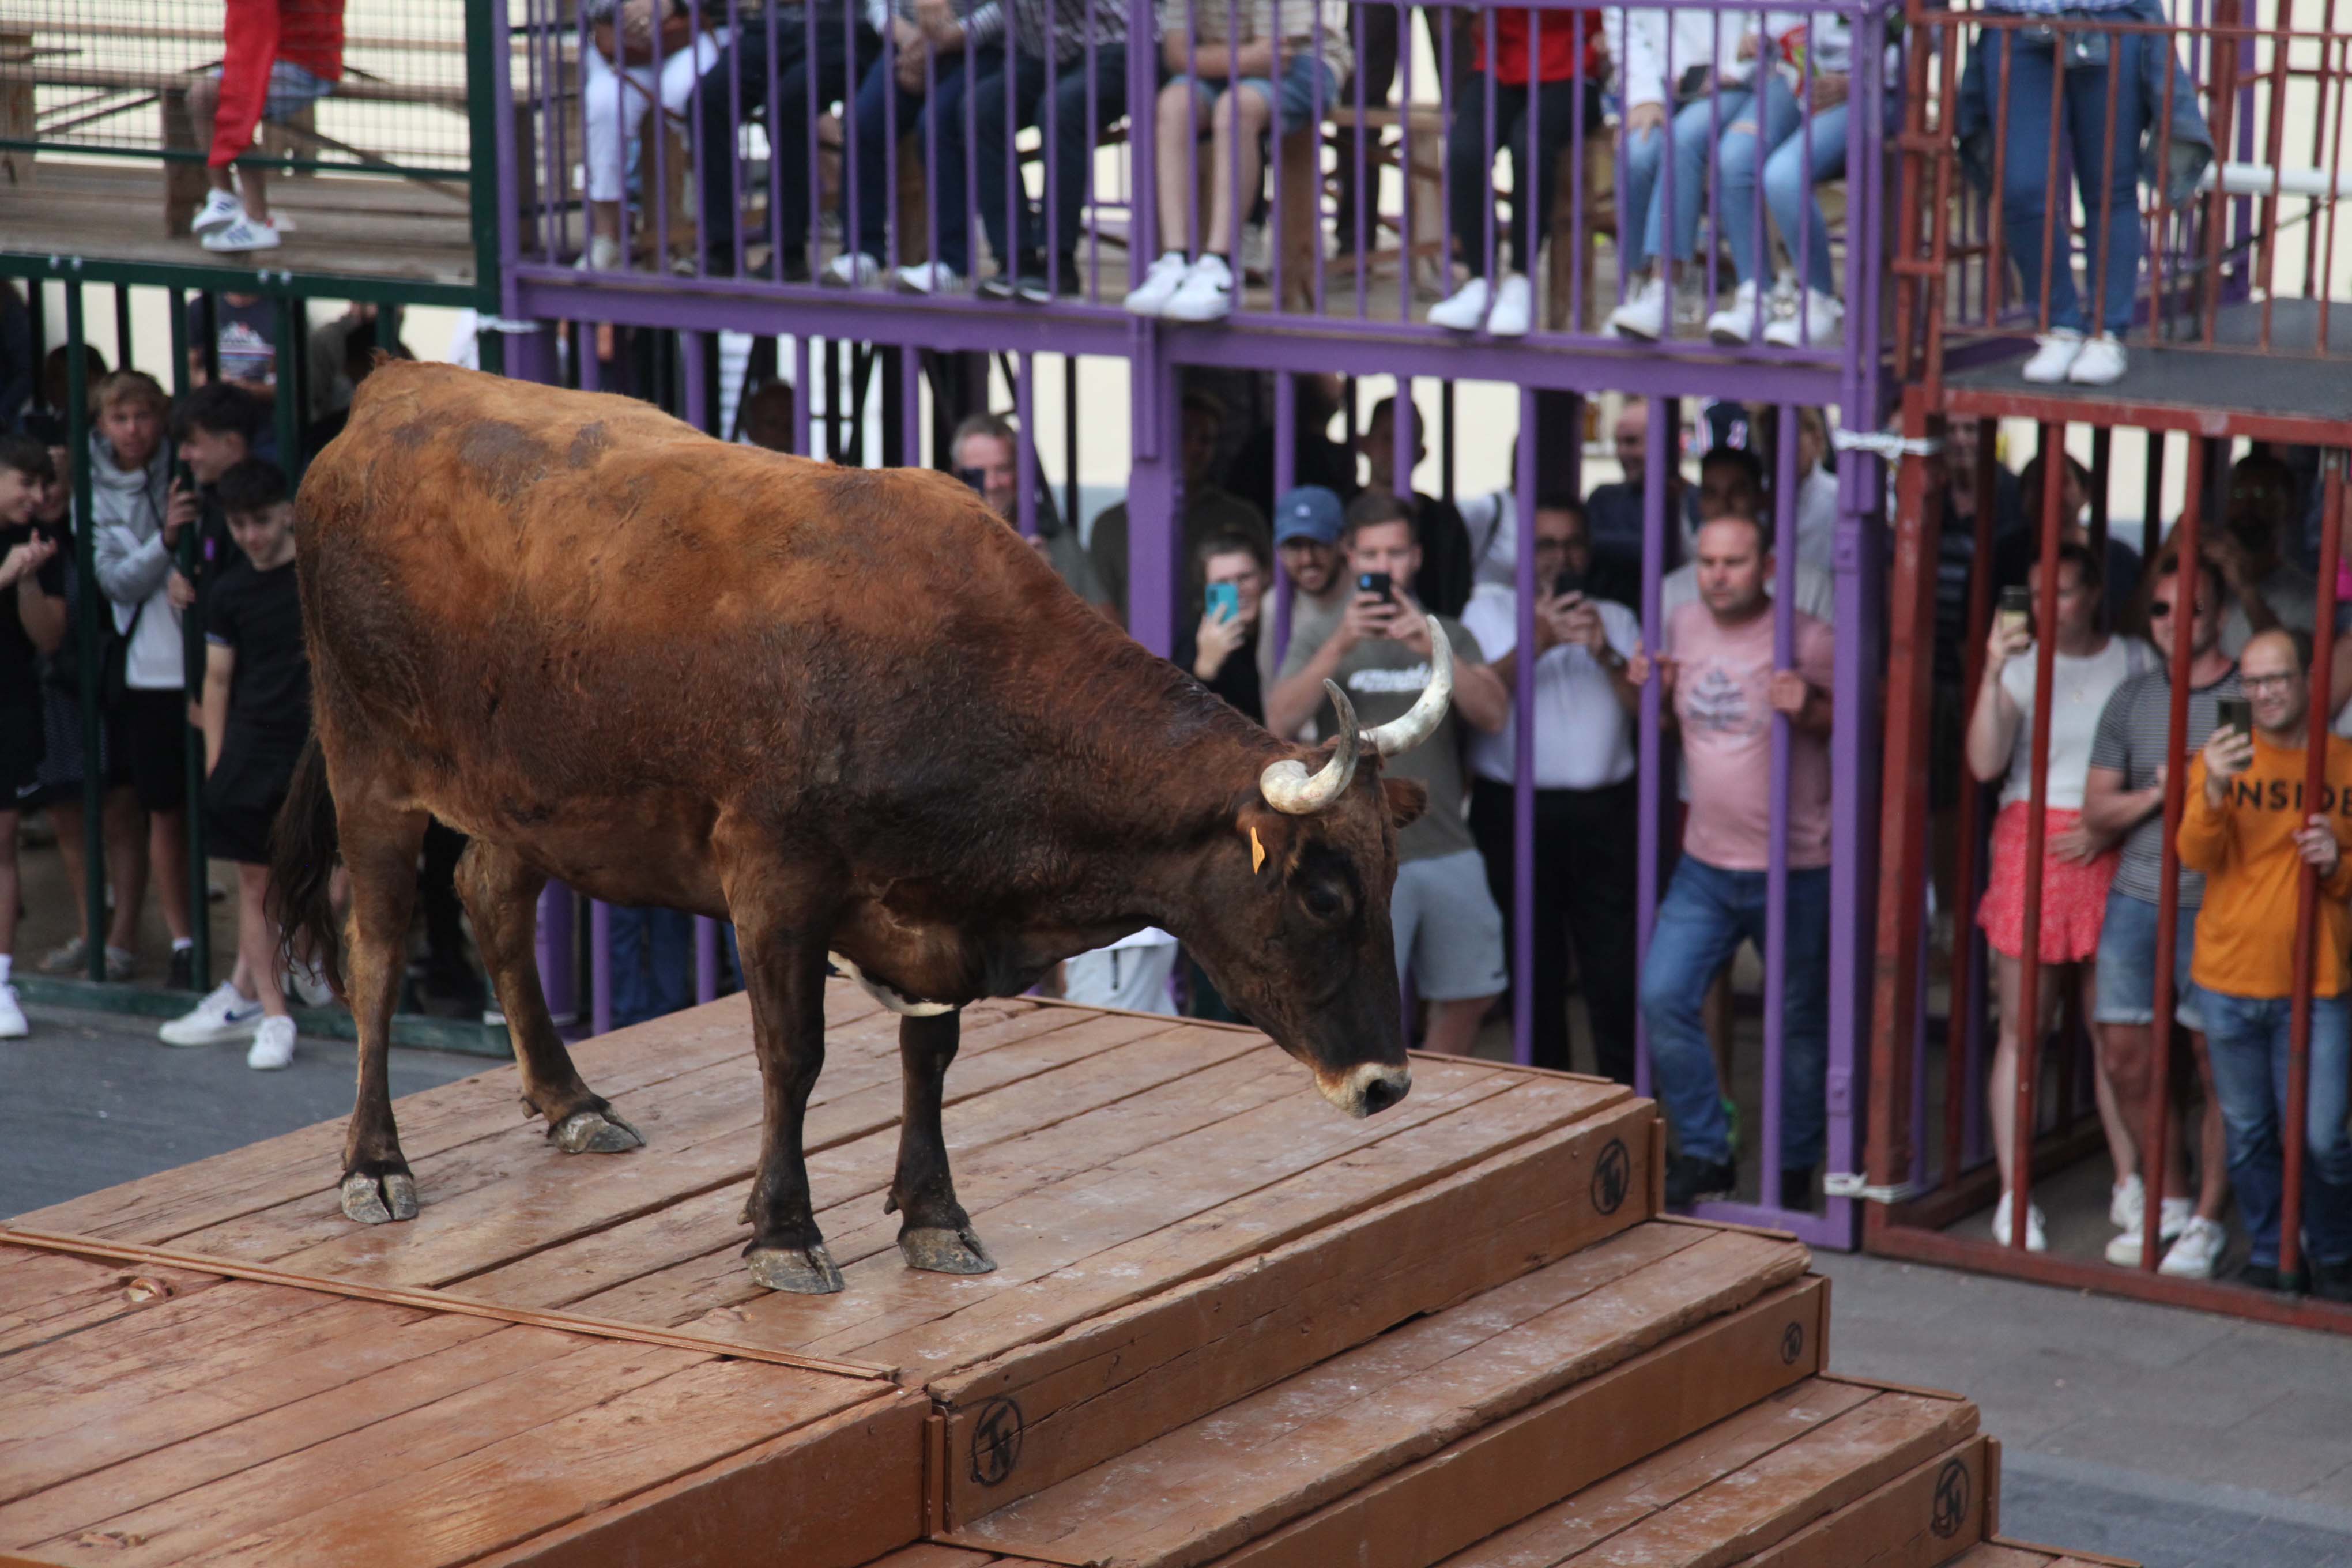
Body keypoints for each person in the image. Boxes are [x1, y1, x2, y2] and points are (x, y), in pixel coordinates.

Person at [1633, 511, 1834, 1209]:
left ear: (1769, 567)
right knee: (1663, 995)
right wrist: (1651, 692)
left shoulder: (1808, 636)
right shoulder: (1681, 624)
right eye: (1708, 561)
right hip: (1706, 863)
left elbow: (1866, 720)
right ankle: (1708, 1152)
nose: (1718, 575)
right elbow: (1670, 720)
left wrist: (1810, 706)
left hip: (1796, 866)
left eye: (1734, 561)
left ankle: (1793, 1173)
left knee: (1798, 1024)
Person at [1965, 540, 2158, 1249]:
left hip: (2112, 836)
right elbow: (1985, 762)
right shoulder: (2018, 665)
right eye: (2039, 593)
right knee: (2024, 1030)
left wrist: (2111, 822)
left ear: (2096, 593)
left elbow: (2160, 758)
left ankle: (2132, 1182)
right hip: (2033, 842)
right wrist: (1992, 667)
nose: (2050, 606)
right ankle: (2014, 1192)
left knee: (2115, 1030)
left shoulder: (2134, 659)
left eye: (2066, 591)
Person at [1268, 504, 1512, 1054]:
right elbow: (1279, 718)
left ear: (1416, 557)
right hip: (1356, 855)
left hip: (1446, 842)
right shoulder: (1321, 633)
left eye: (1396, 552)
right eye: (1372, 554)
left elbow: (1494, 714)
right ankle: (1383, 1094)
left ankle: (1428, 1091)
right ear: (1351, 558)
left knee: (1472, 993)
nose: (1384, 566)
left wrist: (1431, 648)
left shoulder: (1447, 632)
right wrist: (1340, 645)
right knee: (1361, 997)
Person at [2079, 542, 2239, 1276]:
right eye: (2162, 608)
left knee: (2219, 1062)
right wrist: (2163, 790)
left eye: (2193, 607)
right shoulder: (2133, 697)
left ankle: (2208, 1217)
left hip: (2222, 904)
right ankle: (2169, 1199)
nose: (2175, 620)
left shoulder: (2244, 699)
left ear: (2221, 615)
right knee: (2123, 1053)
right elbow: (2097, 809)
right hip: (2138, 895)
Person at [2178, 628, 2352, 1300]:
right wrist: (2215, 789)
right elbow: (2194, 855)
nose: (2265, 692)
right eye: (2252, 681)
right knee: (2249, 1130)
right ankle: (2273, 1250)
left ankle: (2333, 1252)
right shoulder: (2220, 758)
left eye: (2277, 677)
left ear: (2307, 679)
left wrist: (2336, 863)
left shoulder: (2342, 761)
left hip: (2319, 979)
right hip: (2229, 974)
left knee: (2322, 1135)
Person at [1461, 497, 1641, 1079]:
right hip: (1513, 812)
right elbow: (1472, 698)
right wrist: (1535, 640)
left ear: (1588, 551)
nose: (1560, 558)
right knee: (1530, 966)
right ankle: (1547, 1096)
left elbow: (1652, 714)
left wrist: (1605, 652)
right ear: (1521, 551)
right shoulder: (1488, 609)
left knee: (1614, 969)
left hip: (1604, 814)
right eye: (1546, 544)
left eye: (1572, 544)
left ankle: (1623, 1095)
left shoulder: (1617, 617)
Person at [1957, 0, 2207, 386]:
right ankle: (2059, 326)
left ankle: (2108, 334)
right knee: (2021, 189)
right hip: (2016, 20)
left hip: (2110, 17)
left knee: (2110, 186)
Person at [159, 460, 311, 1068]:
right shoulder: (228, 591)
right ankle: (273, 1013)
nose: (251, 535)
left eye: (261, 521)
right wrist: (217, 764)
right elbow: (217, 681)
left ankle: (262, 986)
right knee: (255, 885)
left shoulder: (317, 579)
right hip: (252, 749)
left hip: (315, 749)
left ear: (288, 513)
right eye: (240, 524)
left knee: (322, 876)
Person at [1122, 0, 1351, 323]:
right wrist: (1225, 58)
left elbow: (1274, 56)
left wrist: (1201, 58)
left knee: (1236, 108)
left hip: (1304, 62)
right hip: (1227, 59)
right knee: (1173, 105)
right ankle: (1175, 259)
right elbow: (1176, 56)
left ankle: (1222, 264)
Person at [90, 371, 205, 991]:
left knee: (229, 811)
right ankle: (186, 942)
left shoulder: (186, 467)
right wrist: (166, 542)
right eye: (120, 418)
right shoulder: (93, 488)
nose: (133, 430)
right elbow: (115, 581)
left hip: (210, 663)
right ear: (102, 425)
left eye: (143, 416)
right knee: (163, 811)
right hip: (148, 669)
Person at [914, 0, 1131, 301]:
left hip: (1117, 44)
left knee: (1060, 109)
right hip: (1047, 54)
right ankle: (1014, 260)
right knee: (982, 109)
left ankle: (1059, 265)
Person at [25, 445, 144, 983]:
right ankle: (92, 932)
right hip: (51, 694)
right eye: (34, 481)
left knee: (120, 812)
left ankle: (122, 940)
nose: (45, 492)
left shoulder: (92, 532)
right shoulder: (22, 539)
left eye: (54, 480)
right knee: (67, 814)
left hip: (104, 688)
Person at [1605, 9, 1796, 342]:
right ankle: (1639, 286)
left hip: (1739, 82)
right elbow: (1624, 26)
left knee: (1684, 140)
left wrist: (1731, 68)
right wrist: (1646, 96)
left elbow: (1767, 21)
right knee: (1637, 153)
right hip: (1660, 85)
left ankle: (1664, 289)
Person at [1418, 6, 1601, 337]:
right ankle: (1479, 280)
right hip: (1501, 63)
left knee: (1529, 143)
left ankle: (1520, 279)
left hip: (1574, 68)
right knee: (1465, 149)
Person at [695, 2, 881, 279]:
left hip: (844, 31)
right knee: (708, 99)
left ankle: (787, 251)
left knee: (787, 104)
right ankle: (721, 247)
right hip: (771, 27)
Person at [826, 0, 994, 287]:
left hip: (981, 47)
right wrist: (909, 41)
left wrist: (941, 42)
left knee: (938, 123)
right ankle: (862, 251)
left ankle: (951, 261)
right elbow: (879, 6)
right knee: (861, 122)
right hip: (908, 45)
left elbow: (1006, 12)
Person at [573, 0, 732, 273]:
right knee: (603, 105)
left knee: (689, 96)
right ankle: (607, 236)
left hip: (690, 33)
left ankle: (698, 232)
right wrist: (626, 9)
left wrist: (671, 4)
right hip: (623, 45)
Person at [1089, 393, 1271, 624]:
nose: (1195, 448)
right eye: (1184, 435)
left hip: (1230, 643)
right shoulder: (1110, 526)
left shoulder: (1242, 517)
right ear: (1162, 441)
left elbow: (1268, 594)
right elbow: (1098, 612)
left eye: (1205, 440)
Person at [0, 435, 68, 1041]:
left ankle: (0, 980)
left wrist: (25, 581)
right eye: (25, 483)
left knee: (3, 840)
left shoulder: (44, 542)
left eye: (44, 484)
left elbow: (49, 637)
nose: (36, 495)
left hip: (10, 703)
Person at [186, 0, 346, 253]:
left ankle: (257, 220)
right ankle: (224, 197)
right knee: (203, 96)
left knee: (231, 105)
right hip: (264, 55)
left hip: (303, 63)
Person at [949, 412, 1112, 613]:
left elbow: (1107, 625)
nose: (992, 484)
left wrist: (1050, 584)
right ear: (957, 475)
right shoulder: (934, 542)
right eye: (977, 473)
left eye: (1003, 469)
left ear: (1020, 471)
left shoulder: (1056, 540)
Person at [1658, 447, 1835, 624]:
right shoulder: (1671, 591)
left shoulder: (1813, 587)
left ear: (1761, 498)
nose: (1724, 504)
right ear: (1700, 503)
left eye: (1737, 492)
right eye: (1712, 494)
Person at [1353, 396, 1472, 618]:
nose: (1395, 450)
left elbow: (1457, 595)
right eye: (1387, 438)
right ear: (1364, 443)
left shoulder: (1444, 521)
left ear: (1421, 453)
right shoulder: (1342, 510)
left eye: (1406, 441)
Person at [1581, 399, 1692, 606]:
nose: (1622, 452)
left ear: (1664, 443)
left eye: (1631, 442)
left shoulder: (1695, 501)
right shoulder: (1603, 498)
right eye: (1618, 443)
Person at [2215, 452, 2317, 657]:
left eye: (2261, 495)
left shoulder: (2307, 596)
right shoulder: (2206, 578)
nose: (2247, 506)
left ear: (2288, 508)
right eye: (2238, 494)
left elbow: (2291, 664)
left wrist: (2247, 590)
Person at [1173, 529, 1271, 723]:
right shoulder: (1193, 640)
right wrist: (1204, 668)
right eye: (1223, 583)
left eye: (1244, 577)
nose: (1236, 590)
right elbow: (1176, 721)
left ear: (1266, 576)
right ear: (1206, 589)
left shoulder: (1281, 626)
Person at [1270, 483, 1348, 659]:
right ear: (1279, 551)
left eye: (1318, 543)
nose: (1307, 559)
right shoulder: (1274, 605)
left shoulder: (1367, 600)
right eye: (1294, 546)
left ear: (1343, 542)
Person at [186, 293, 280, 405]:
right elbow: (188, 371)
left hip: (262, 409)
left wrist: (244, 388)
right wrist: (208, 381)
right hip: (211, 407)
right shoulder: (200, 307)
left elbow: (289, 384)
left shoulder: (280, 308)